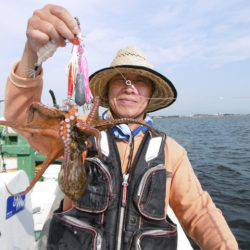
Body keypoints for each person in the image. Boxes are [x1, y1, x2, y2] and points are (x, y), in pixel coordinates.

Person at [3, 4, 238, 250]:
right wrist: (32, 54)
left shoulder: (172, 153)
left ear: (150, 95)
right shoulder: (80, 138)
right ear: (107, 91)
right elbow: (21, 117)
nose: (130, 87)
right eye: (121, 80)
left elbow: (200, 214)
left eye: (141, 82)